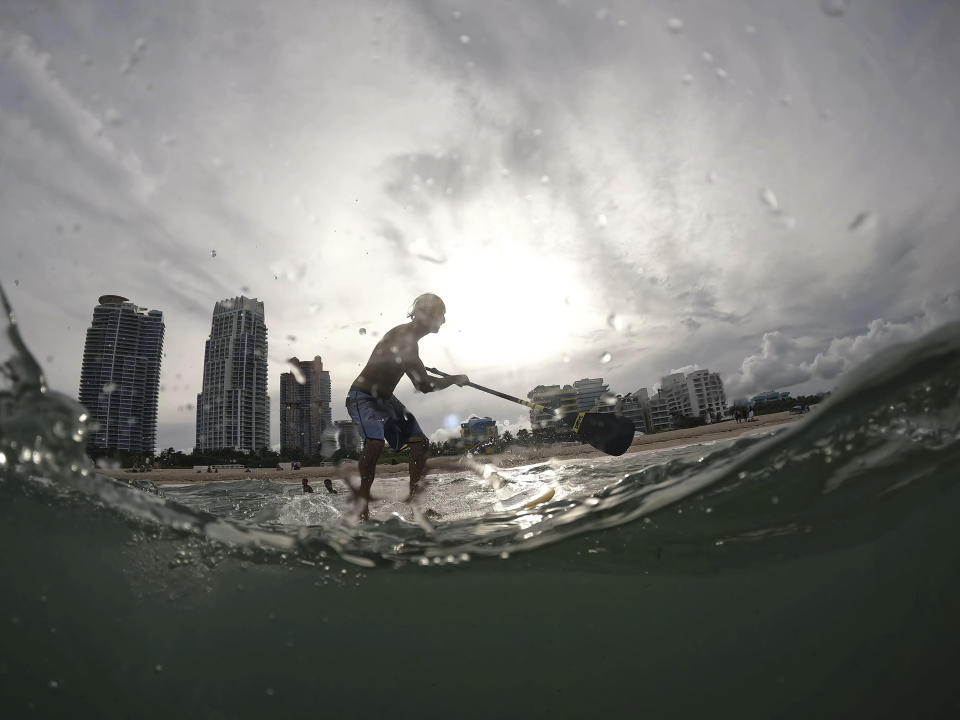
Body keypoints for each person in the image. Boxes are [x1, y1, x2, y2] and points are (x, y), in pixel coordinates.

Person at [345, 293, 468, 520]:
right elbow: (423, 385)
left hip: (385, 400)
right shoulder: (405, 337)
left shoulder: (410, 342)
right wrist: (454, 380)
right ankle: (362, 510)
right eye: (441, 315)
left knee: (419, 443)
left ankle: (416, 508)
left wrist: (442, 376)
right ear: (429, 315)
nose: (444, 321)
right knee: (374, 443)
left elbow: (420, 379)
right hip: (362, 397)